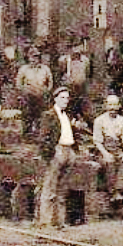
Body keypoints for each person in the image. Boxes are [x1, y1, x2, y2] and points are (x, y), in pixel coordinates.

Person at [36, 86, 83, 228]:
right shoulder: (49, 115)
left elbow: (70, 133)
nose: (65, 101)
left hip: (69, 151)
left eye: (67, 98)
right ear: (55, 99)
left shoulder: (67, 116)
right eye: (62, 98)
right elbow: (43, 137)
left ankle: (59, 221)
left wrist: (75, 150)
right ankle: (46, 221)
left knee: (63, 189)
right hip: (57, 151)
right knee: (50, 187)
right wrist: (50, 153)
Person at [91, 93, 123, 212]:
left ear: (119, 106)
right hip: (104, 149)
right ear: (106, 106)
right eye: (110, 104)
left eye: (115, 104)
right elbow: (97, 141)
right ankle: (112, 193)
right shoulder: (99, 120)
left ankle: (119, 191)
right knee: (109, 162)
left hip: (118, 149)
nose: (112, 107)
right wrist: (105, 153)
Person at [15, 48, 54, 138]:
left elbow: (50, 82)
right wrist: (23, 93)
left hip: (41, 96)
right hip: (28, 96)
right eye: (32, 57)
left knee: (41, 115)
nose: (34, 59)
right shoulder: (24, 69)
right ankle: (26, 133)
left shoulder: (45, 69)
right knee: (27, 115)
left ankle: (39, 133)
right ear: (28, 57)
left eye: (36, 57)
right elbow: (18, 83)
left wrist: (47, 91)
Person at [58, 41, 92, 118]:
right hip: (69, 87)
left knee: (80, 105)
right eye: (74, 46)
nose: (76, 49)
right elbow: (61, 72)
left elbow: (87, 72)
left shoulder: (85, 60)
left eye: (78, 46)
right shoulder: (64, 60)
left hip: (81, 88)